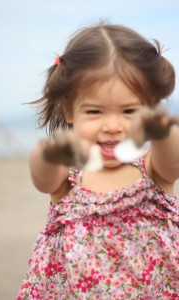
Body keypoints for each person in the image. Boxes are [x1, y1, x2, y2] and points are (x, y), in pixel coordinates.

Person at [17, 22, 179, 299]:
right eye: (95, 112)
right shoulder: (68, 178)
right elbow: (42, 180)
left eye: (129, 111)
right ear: (69, 110)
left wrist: (164, 133)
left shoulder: (153, 170)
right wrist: (49, 154)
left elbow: (173, 161)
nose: (113, 126)